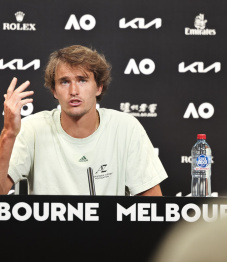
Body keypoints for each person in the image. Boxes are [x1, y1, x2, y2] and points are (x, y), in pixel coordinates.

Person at [0, 45, 167, 195]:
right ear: (54, 91)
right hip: (47, 230)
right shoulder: (32, 128)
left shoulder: (126, 128)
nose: (74, 91)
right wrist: (9, 133)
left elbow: (152, 206)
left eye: (82, 80)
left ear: (99, 87)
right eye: (64, 82)